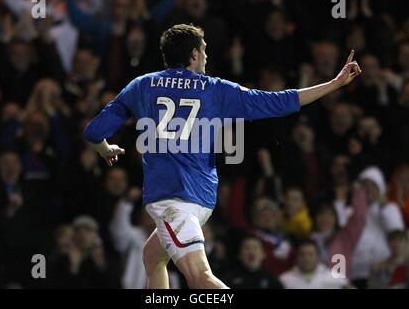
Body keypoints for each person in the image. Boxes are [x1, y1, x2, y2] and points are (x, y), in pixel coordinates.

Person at [83, 24, 361, 289]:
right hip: (200, 199)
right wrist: (334, 84)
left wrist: (104, 150)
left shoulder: (141, 86)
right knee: (152, 257)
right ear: (193, 54)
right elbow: (279, 102)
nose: (206, 55)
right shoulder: (216, 89)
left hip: (172, 199)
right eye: (203, 49)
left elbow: (94, 131)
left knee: (200, 277)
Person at [279, 239, 351, 289]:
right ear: (297, 257)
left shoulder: (335, 278)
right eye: (302, 254)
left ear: (318, 257)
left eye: (311, 254)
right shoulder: (285, 280)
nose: (306, 258)